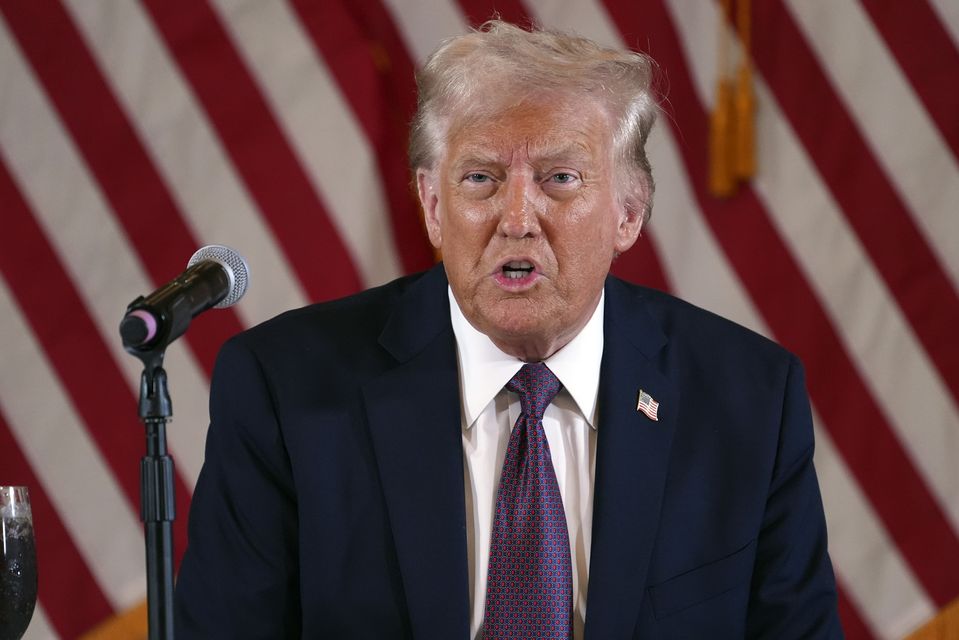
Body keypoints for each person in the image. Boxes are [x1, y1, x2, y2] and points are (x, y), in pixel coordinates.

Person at [174, 20, 842, 639]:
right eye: (480, 179)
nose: (516, 217)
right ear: (434, 208)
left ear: (628, 213)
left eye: (559, 179)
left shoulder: (748, 398)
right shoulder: (285, 388)